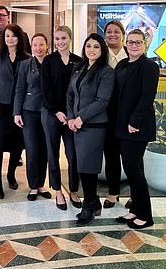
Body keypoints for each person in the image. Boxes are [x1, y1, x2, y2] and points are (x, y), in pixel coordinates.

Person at [67, 33, 114, 225]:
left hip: (94, 125)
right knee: (82, 164)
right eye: (88, 46)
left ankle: (89, 205)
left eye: (96, 46)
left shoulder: (106, 72)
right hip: (77, 124)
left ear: (102, 50)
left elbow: (102, 101)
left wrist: (80, 118)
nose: (91, 50)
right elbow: (70, 95)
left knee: (88, 166)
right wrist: (71, 117)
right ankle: (94, 203)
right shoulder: (79, 68)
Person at [115, 29, 159, 230]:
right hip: (122, 124)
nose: (133, 46)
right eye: (131, 42)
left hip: (136, 126)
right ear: (125, 44)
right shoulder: (122, 64)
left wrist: (135, 122)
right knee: (133, 168)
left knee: (134, 170)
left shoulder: (149, 66)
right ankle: (135, 209)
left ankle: (146, 215)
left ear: (144, 45)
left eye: (138, 43)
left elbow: (146, 97)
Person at [40, 26, 83, 210]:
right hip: (52, 115)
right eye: (56, 39)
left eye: (63, 38)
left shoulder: (79, 62)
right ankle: (57, 191)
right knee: (53, 153)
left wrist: (72, 114)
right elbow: (45, 89)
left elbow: (81, 90)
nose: (60, 42)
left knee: (73, 155)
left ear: (70, 39)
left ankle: (73, 189)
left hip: (72, 117)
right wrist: (57, 111)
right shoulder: (48, 61)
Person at [0, 24, 29, 199]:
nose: (10, 39)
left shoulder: (27, 58)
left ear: (19, 38)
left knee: (17, 145)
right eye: (7, 36)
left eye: (13, 36)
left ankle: (11, 174)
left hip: (19, 109)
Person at [14, 33, 51, 202]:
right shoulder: (25, 65)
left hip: (48, 112)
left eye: (41, 44)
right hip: (29, 112)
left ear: (47, 46)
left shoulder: (52, 63)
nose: (38, 48)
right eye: (35, 45)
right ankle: (33, 186)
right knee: (32, 149)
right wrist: (16, 112)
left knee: (44, 149)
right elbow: (19, 89)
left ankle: (41, 184)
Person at [103, 20, 128, 209]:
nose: (112, 34)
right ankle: (113, 194)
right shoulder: (101, 56)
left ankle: (135, 194)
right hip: (107, 115)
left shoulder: (131, 54)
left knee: (131, 158)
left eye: (116, 31)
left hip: (127, 116)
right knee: (111, 155)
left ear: (122, 34)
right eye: (109, 31)